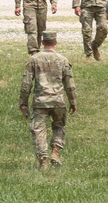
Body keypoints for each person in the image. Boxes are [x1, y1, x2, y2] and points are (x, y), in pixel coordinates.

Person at [19, 31, 76, 169]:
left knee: (38, 130)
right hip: (58, 101)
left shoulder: (34, 59)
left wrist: (23, 103)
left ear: (42, 42)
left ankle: (43, 160)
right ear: (55, 43)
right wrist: (73, 102)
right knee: (58, 127)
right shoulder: (63, 60)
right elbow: (70, 84)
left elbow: (26, 84)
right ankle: (55, 152)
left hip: (40, 102)